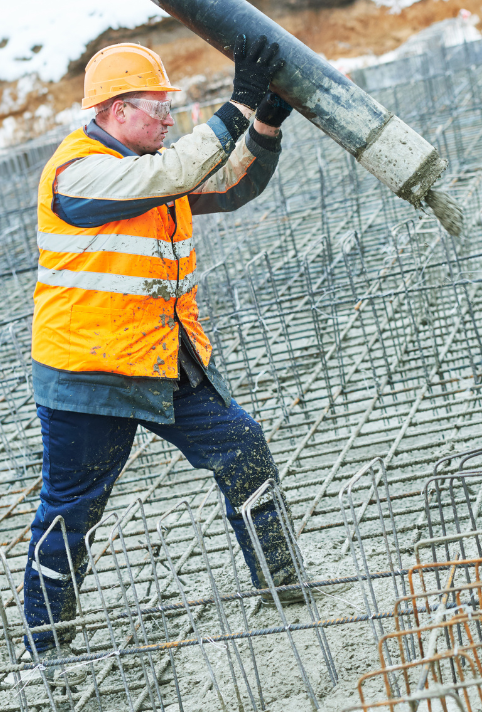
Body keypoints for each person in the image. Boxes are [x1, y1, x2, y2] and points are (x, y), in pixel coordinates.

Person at [22, 37, 299, 683]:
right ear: (116, 111)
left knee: (243, 447)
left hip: (162, 358)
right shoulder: (81, 174)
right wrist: (235, 104)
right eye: (157, 108)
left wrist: (262, 124)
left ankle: (283, 589)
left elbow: (228, 185)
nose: (169, 118)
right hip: (87, 374)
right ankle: (49, 641)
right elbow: (172, 173)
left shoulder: (151, 163)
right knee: (73, 508)